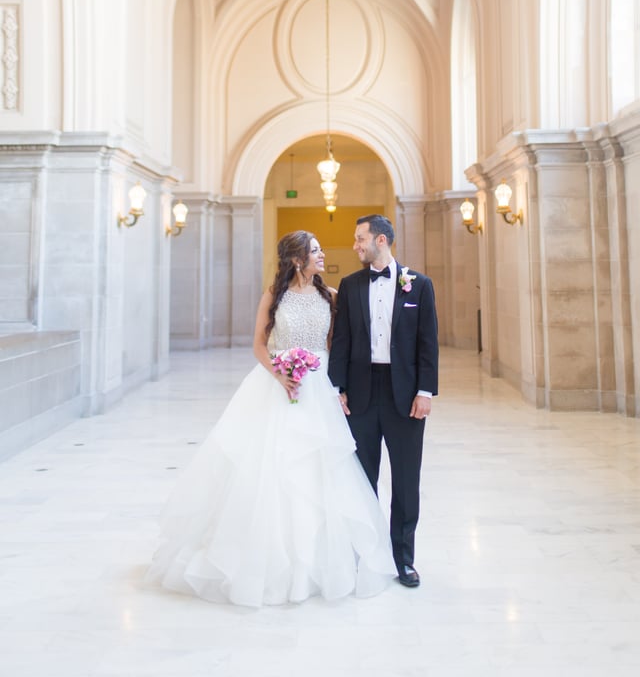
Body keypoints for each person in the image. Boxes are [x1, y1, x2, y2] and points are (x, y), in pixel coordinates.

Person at [146, 230, 395, 608]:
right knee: (269, 469)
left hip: (318, 389)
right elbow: (259, 345)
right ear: (297, 260)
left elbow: (336, 346)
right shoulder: (272, 296)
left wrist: (338, 386)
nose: (322, 255)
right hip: (275, 386)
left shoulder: (331, 297)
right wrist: (280, 374)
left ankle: (320, 561)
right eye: (315, 250)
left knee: (320, 469)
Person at [328, 214, 438, 588]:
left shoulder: (418, 285)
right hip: (360, 393)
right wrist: (336, 388)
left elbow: (428, 344)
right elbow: (340, 341)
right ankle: (363, 555)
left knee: (406, 481)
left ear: (381, 240)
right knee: (362, 478)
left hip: (405, 395)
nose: (356, 245)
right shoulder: (350, 285)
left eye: (360, 239)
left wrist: (425, 392)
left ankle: (403, 559)